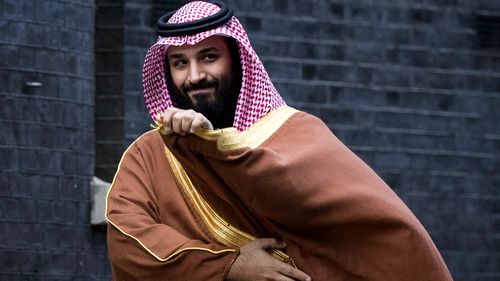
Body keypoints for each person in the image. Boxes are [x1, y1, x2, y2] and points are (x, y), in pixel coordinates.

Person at [106, 1, 453, 280]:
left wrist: (209, 144)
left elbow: (377, 230)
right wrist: (228, 266)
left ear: (238, 61)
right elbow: (128, 241)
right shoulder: (148, 155)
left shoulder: (298, 133)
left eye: (209, 57)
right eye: (180, 63)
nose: (195, 76)